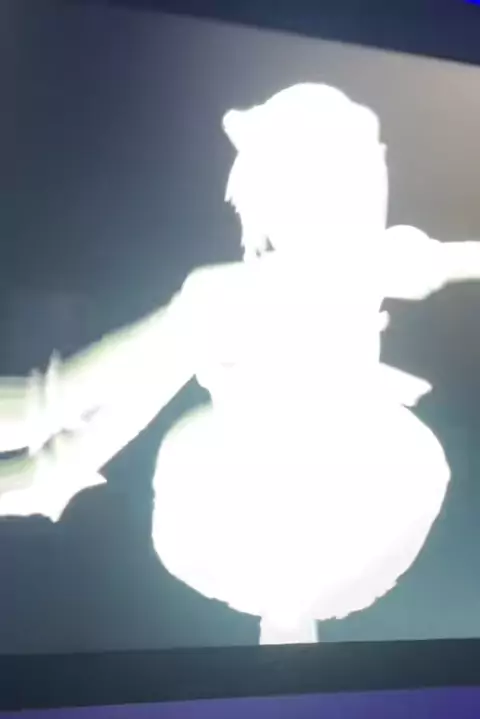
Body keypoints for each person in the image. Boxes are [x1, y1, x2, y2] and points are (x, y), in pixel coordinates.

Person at [1, 83, 479, 644]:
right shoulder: (225, 295)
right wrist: (51, 463)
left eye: (350, 185)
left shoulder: (372, 262)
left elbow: (456, 259)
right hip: (249, 482)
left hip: (352, 475)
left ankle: (289, 630)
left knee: (292, 603)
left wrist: (55, 457)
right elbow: (95, 396)